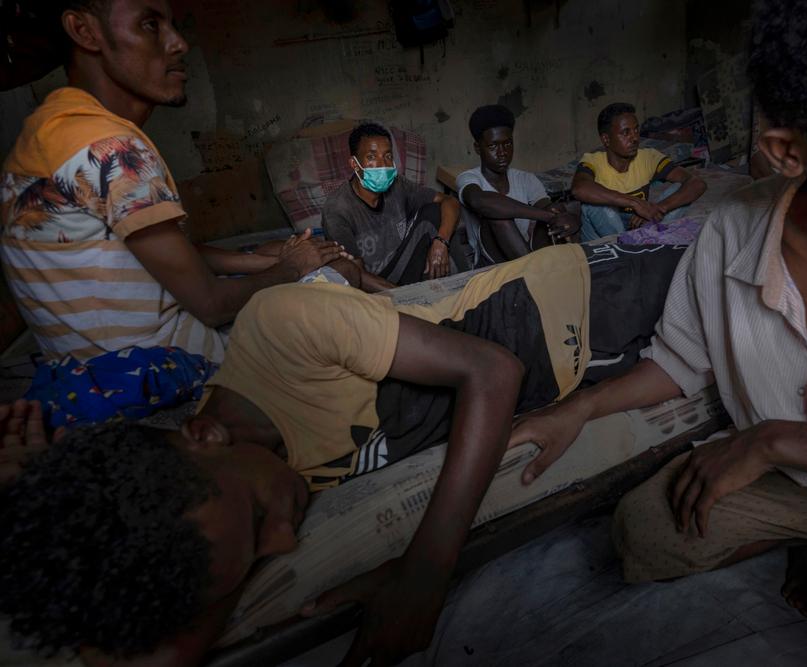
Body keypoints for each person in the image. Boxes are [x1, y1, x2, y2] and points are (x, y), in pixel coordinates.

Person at [509, 1, 807, 664]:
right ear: (789, 151)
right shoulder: (733, 229)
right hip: (794, 482)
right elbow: (683, 358)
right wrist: (582, 405)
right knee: (645, 530)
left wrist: (771, 439)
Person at [0, 242, 686, 666]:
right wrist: (46, 525)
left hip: (575, 305)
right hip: (579, 367)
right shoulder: (207, 500)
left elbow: (494, 371)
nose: (286, 533)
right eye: (264, 547)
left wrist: (425, 572)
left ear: (204, 436)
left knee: (752, 307)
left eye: (261, 514)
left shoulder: (280, 328)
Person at [0, 0, 347, 364]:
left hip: (86, 366)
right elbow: (211, 305)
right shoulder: (110, 148)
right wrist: (290, 268)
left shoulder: (48, 132)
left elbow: (139, 255)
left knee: (274, 251)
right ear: (84, 31)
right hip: (167, 364)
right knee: (341, 276)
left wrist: (256, 262)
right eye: (150, 24)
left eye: (172, 25)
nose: (179, 43)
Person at [321, 122, 468, 291]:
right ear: (354, 164)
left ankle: (466, 288)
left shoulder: (398, 185)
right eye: (371, 157)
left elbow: (450, 202)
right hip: (372, 283)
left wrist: (441, 243)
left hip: (402, 266)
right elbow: (354, 273)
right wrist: (402, 297)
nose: (382, 165)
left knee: (436, 213)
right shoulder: (337, 209)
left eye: (388, 156)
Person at [456, 104, 580, 265]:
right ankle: (534, 270)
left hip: (525, 250)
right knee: (497, 215)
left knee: (556, 209)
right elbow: (479, 201)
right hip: (491, 262)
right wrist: (548, 216)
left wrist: (569, 219)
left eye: (507, 144)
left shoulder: (525, 178)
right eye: (493, 146)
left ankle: (542, 266)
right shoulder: (468, 178)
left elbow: (551, 209)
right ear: (478, 148)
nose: (502, 153)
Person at [571, 101, 706, 242]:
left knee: (680, 188)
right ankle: (631, 244)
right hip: (604, 235)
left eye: (636, 130)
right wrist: (635, 203)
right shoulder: (593, 160)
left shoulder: (648, 157)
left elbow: (697, 183)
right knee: (592, 203)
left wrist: (657, 208)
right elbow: (579, 189)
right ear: (606, 139)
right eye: (625, 132)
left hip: (639, 226)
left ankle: (639, 241)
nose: (635, 138)